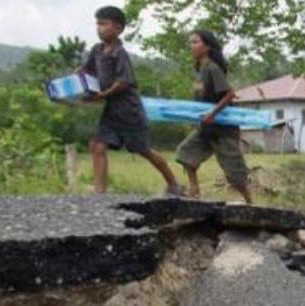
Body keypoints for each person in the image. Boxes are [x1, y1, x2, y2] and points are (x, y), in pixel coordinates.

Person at [81, 6, 182, 196]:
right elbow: (86, 71)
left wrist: (101, 95)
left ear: (118, 28)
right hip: (112, 112)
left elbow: (123, 82)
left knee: (144, 150)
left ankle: (173, 183)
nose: (99, 28)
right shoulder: (97, 50)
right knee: (97, 145)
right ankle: (99, 193)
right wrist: (72, 86)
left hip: (129, 112)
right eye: (97, 24)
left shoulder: (119, 53)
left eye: (104, 24)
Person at [174, 30, 252, 204]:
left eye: (195, 42)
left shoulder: (212, 68)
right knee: (185, 151)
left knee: (234, 172)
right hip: (205, 127)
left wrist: (212, 114)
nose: (191, 46)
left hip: (223, 128)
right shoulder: (199, 70)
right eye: (190, 42)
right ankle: (194, 190)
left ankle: (249, 200)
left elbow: (229, 94)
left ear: (207, 46)